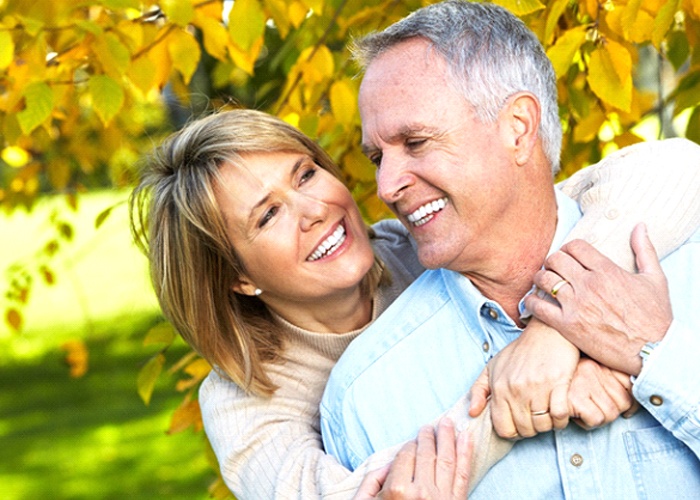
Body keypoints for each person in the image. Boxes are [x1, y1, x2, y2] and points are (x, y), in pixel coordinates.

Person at [129, 109, 698, 499]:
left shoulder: (424, 241)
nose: (313, 210)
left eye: (305, 174)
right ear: (239, 278)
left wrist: (556, 334)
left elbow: (671, 172)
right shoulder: (243, 397)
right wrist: (528, 393)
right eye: (268, 215)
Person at [319, 1, 700, 497]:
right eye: (376, 157)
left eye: (416, 142)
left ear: (518, 128)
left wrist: (655, 356)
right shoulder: (365, 395)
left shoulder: (688, 260)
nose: (387, 186)